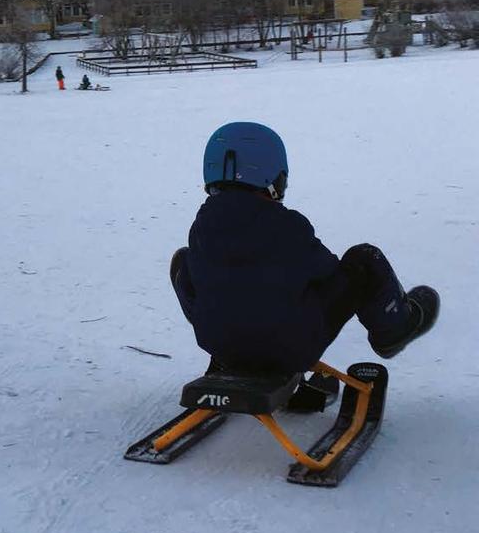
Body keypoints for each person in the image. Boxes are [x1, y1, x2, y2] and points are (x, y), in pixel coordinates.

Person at [170, 121, 440, 376]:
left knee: (185, 261)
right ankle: (395, 330)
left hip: (219, 344)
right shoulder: (288, 226)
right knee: (364, 260)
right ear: (273, 178)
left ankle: (232, 343)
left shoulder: (201, 226)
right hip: (290, 350)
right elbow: (327, 272)